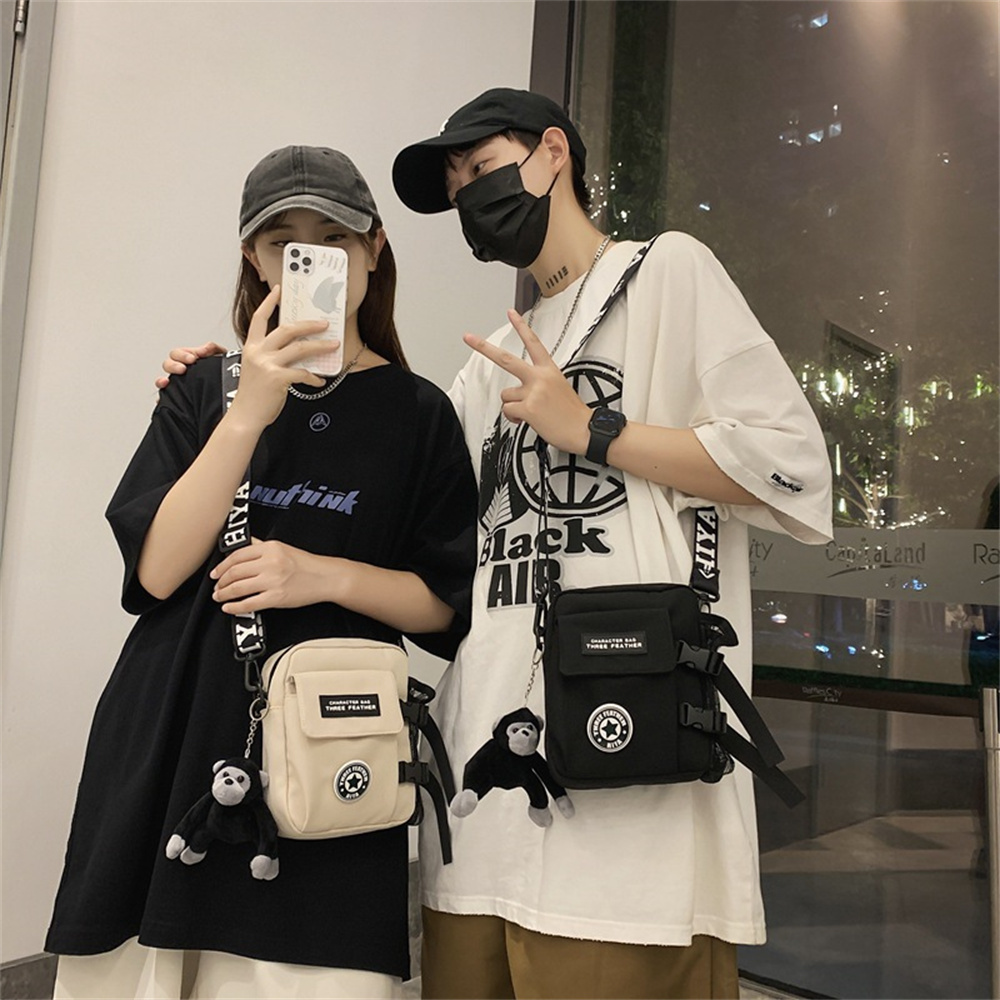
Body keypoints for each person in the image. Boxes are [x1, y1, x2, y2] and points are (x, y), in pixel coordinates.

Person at [159, 89, 834, 999]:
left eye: (480, 169)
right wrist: (218, 387)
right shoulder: (483, 371)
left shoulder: (666, 274)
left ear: (553, 154)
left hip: (630, 780)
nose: (471, 198)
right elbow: (419, 532)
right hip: (483, 798)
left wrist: (593, 430)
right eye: (456, 190)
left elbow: (792, 467)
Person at [45, 145, 477, 1000]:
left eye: (332, 238)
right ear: (253, 257)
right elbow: (157, 572)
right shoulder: (205, 388)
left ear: (374, 248)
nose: (306, 257)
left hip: (331, 748)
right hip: (172, 731)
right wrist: (245, 415)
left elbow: (443, 604)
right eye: (282, 242)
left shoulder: (419, 412)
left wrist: (324, 575)